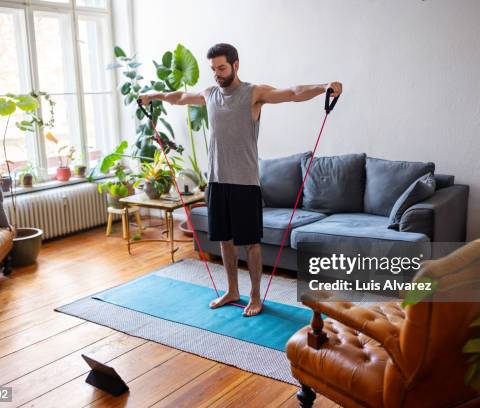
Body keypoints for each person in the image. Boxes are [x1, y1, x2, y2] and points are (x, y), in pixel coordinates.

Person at [139, 43, 342, 317]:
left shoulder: (253, 93)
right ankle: (232, 290)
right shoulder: (209, 94)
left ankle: (256, 295)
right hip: (216, 182)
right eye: (213, 69)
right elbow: (180, 96)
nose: (217, 74)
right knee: (224, 240)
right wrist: (155, 95)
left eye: (221, 68)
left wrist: (323, 86)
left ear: (236, 64)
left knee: (251, 243)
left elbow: (293, 93)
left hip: (245, 183)